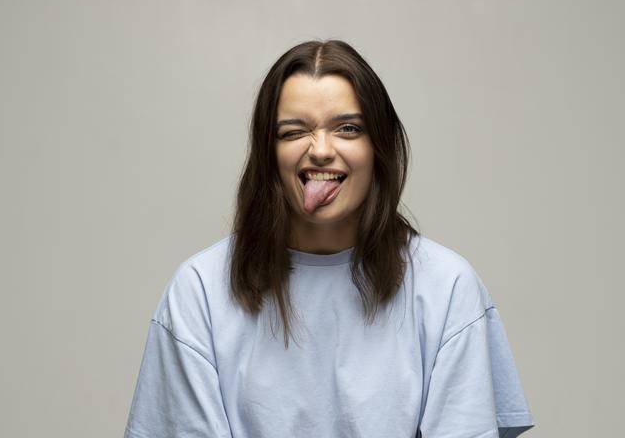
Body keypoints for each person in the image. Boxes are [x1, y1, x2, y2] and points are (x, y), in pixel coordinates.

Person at [123, 39, 532, 437]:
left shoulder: (448, 287)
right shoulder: (198, 291)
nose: (320, 150)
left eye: (348, 129)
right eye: (293, 131)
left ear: (379, 148)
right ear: (269, 154)